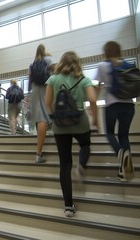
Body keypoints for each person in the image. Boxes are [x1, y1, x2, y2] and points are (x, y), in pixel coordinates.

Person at [45, 51, 98, 217]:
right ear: (77, 63)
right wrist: (95, 119)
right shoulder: (84, 79)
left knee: (65, 163)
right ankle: (81, 165)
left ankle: (68, 206)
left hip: (60, 125)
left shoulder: (53, 79)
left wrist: (55, 116)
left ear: (60, 63)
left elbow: (47, 102)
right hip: (80, 121)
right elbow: (93, 99)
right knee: (85, 145)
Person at [95, 41, 135, 181]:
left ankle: (120, 153)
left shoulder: (102, 66)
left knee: (110, 133)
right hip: (129, 106)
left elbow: (98, 88)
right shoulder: (127, 64)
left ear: (106, 52)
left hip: (112, 105)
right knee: (124, 136)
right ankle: (124, 171)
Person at [29, 44, 53, 163]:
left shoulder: (32, 63)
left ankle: (40, 143)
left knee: (40, 118)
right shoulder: (48, 60)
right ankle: (38, 154)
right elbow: (56, 71)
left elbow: (30, 79)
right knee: (44, 118)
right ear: (44, 51)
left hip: (35, 90)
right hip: (45, 89)